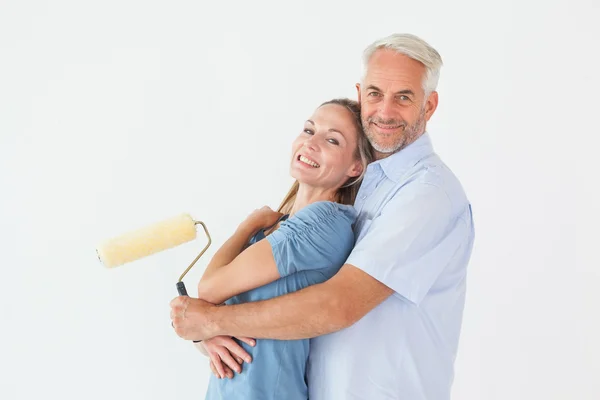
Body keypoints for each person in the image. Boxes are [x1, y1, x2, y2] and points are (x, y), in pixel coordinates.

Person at [171, 33, 475, 400]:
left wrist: (210, 320)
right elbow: (268, 314)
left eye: (404, 97)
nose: (385, 111)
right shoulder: (356, 189)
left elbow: (337, 304)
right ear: (361, 94)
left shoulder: (427, 195)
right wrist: (207, 333)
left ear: (429, 106)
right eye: (376, 93)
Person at [180, 98, 373, 399]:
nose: (312, 143)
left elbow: (209, 288)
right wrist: (206, 336)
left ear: (355, 167)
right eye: (309, 130)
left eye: (332, 140)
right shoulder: (281, 225)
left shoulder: (323, 224)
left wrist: (246, 226)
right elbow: (223, 313)